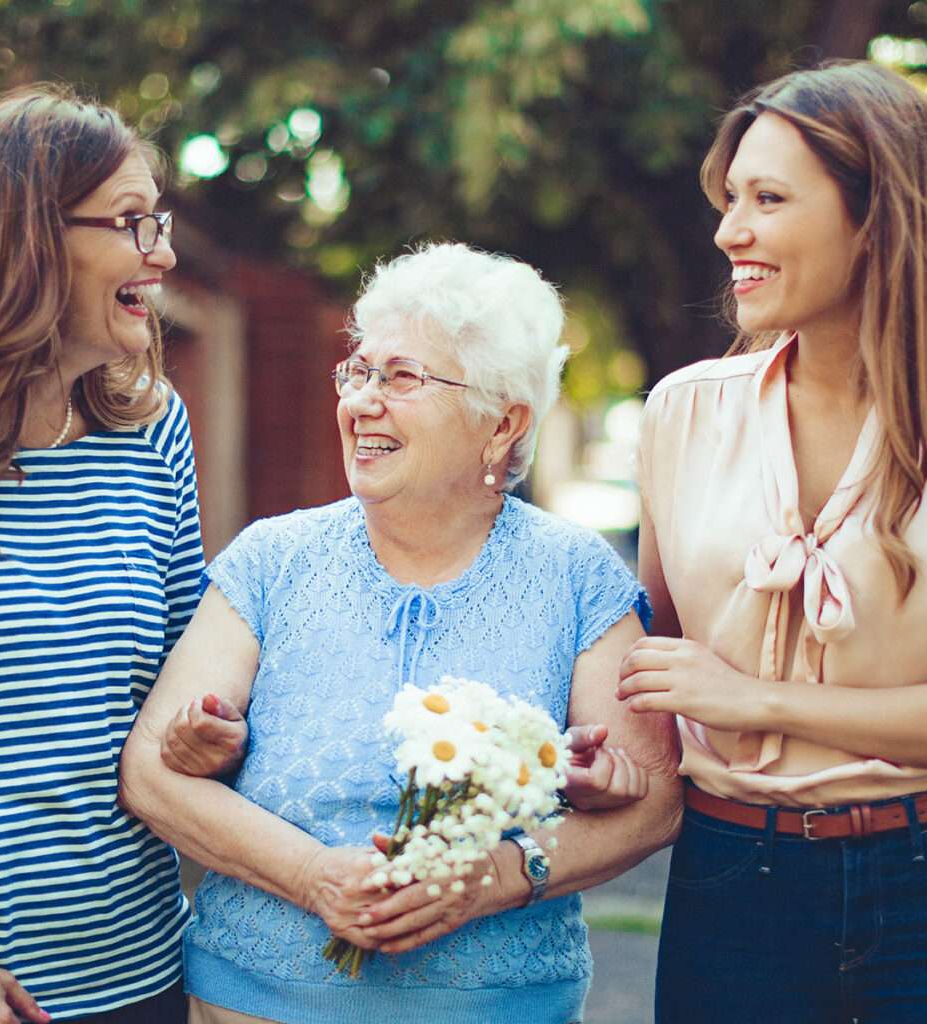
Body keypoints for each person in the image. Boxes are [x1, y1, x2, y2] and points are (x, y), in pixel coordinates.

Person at [119, 242, 682, 1024]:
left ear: (502, 423)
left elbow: (652, 801)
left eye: (403, 377)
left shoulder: (575, 574)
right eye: (358, 372)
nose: (362, 401)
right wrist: (314, 874)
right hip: (258, 1004)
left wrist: (496, 876)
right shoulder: (274, 560)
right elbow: (151, 771)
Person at [616, 61, 927, 1022]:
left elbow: (717, 691)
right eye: (729, 199)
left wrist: (752, 698)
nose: (728, 232)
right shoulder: (680, 415)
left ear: (874, 218)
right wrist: (610, 760)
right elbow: (655, 669)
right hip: (729, 884)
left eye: (768, 199)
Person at [0, 86, 206, 1023]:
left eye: (159, 220)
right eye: (130, 223)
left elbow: (182, 675)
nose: (161, 253)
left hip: (144, 975)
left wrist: (206, 730)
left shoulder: (152, 429)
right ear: (28, 236)